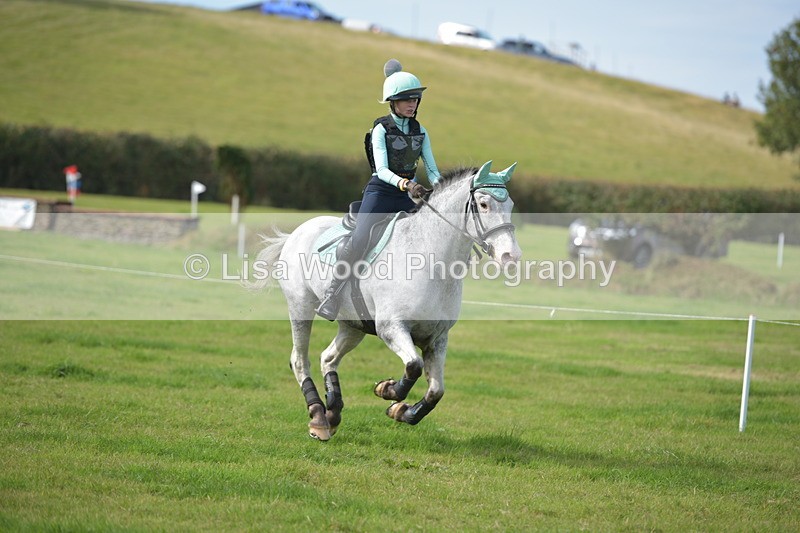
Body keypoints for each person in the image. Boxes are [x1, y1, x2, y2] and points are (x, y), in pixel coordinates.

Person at [315, 59, 442, 320]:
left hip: (408, 195)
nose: (412, 104)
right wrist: (407, 184)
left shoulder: (422, 131)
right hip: (381, 193)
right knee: (360, 238)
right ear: (392, 102)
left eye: (415, 99)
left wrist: (441, 189)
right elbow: (382, 170)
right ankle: (333, 293)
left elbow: (431, 169)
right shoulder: (380, 129)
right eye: (406, 99)